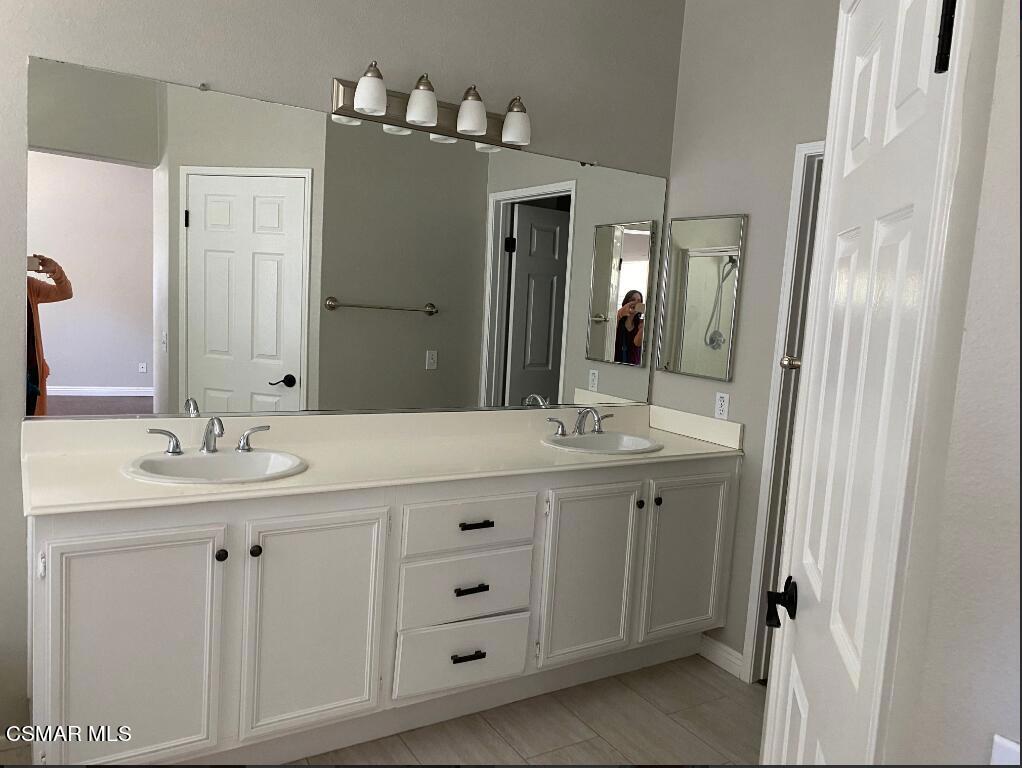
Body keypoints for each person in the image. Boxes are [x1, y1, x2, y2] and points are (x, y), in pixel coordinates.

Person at [27, 254, 73, 416]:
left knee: (29, 417)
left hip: (29, 366)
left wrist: (56, 271)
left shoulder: (28, 285)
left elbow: (65, 292)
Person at [614, 289, 644, 365]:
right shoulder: (617, 319)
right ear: (626, 302)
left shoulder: (640, 324)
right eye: (632, 300)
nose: (636, 303)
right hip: (616, 363)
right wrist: (622, 312)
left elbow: (637, 343)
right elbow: (610, 332)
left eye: (639, 301)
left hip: (634, 365)